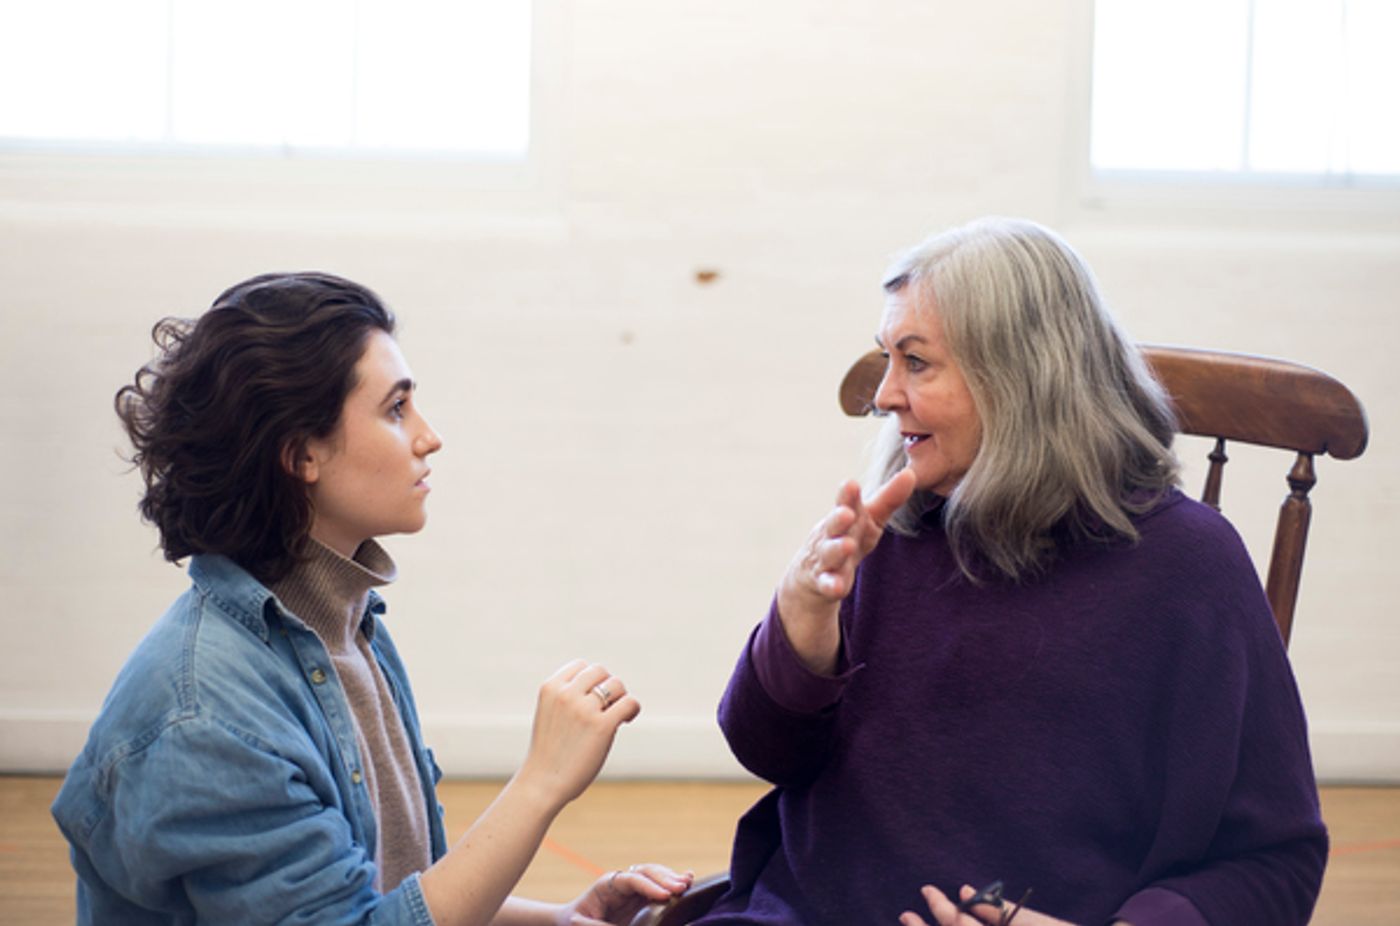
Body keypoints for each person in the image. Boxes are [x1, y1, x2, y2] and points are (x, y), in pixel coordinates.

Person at [696, 218, 1326, 925]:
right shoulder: (895, 529)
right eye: (887, 359)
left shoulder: (1187, 565)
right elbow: (766, 752)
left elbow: (1275, 860)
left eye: (916, 362)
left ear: (1020, 378)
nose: (885, 395)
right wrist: (802, 617)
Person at [52, 272, 692, 925]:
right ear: (301, 454)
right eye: (396, 409)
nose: (428, 436)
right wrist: (542, 783)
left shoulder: (346, 626)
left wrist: (558, 920)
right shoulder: (206, 718)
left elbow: (381, 889)